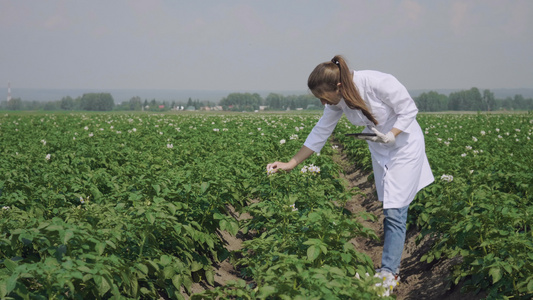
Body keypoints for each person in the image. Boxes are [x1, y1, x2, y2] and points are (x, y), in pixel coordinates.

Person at [266, 55, 434, 292]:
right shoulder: (338, 101)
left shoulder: (378, 82)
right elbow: (320, 131)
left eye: (324, 97)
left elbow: (409, 110)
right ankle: (386, 269)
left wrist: (393, 134)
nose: (324, 103)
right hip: (381, 148)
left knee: (395, 210)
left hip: (405, 146)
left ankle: (389, 273)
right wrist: (290, 162)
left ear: (338, 86)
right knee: (392, 204)